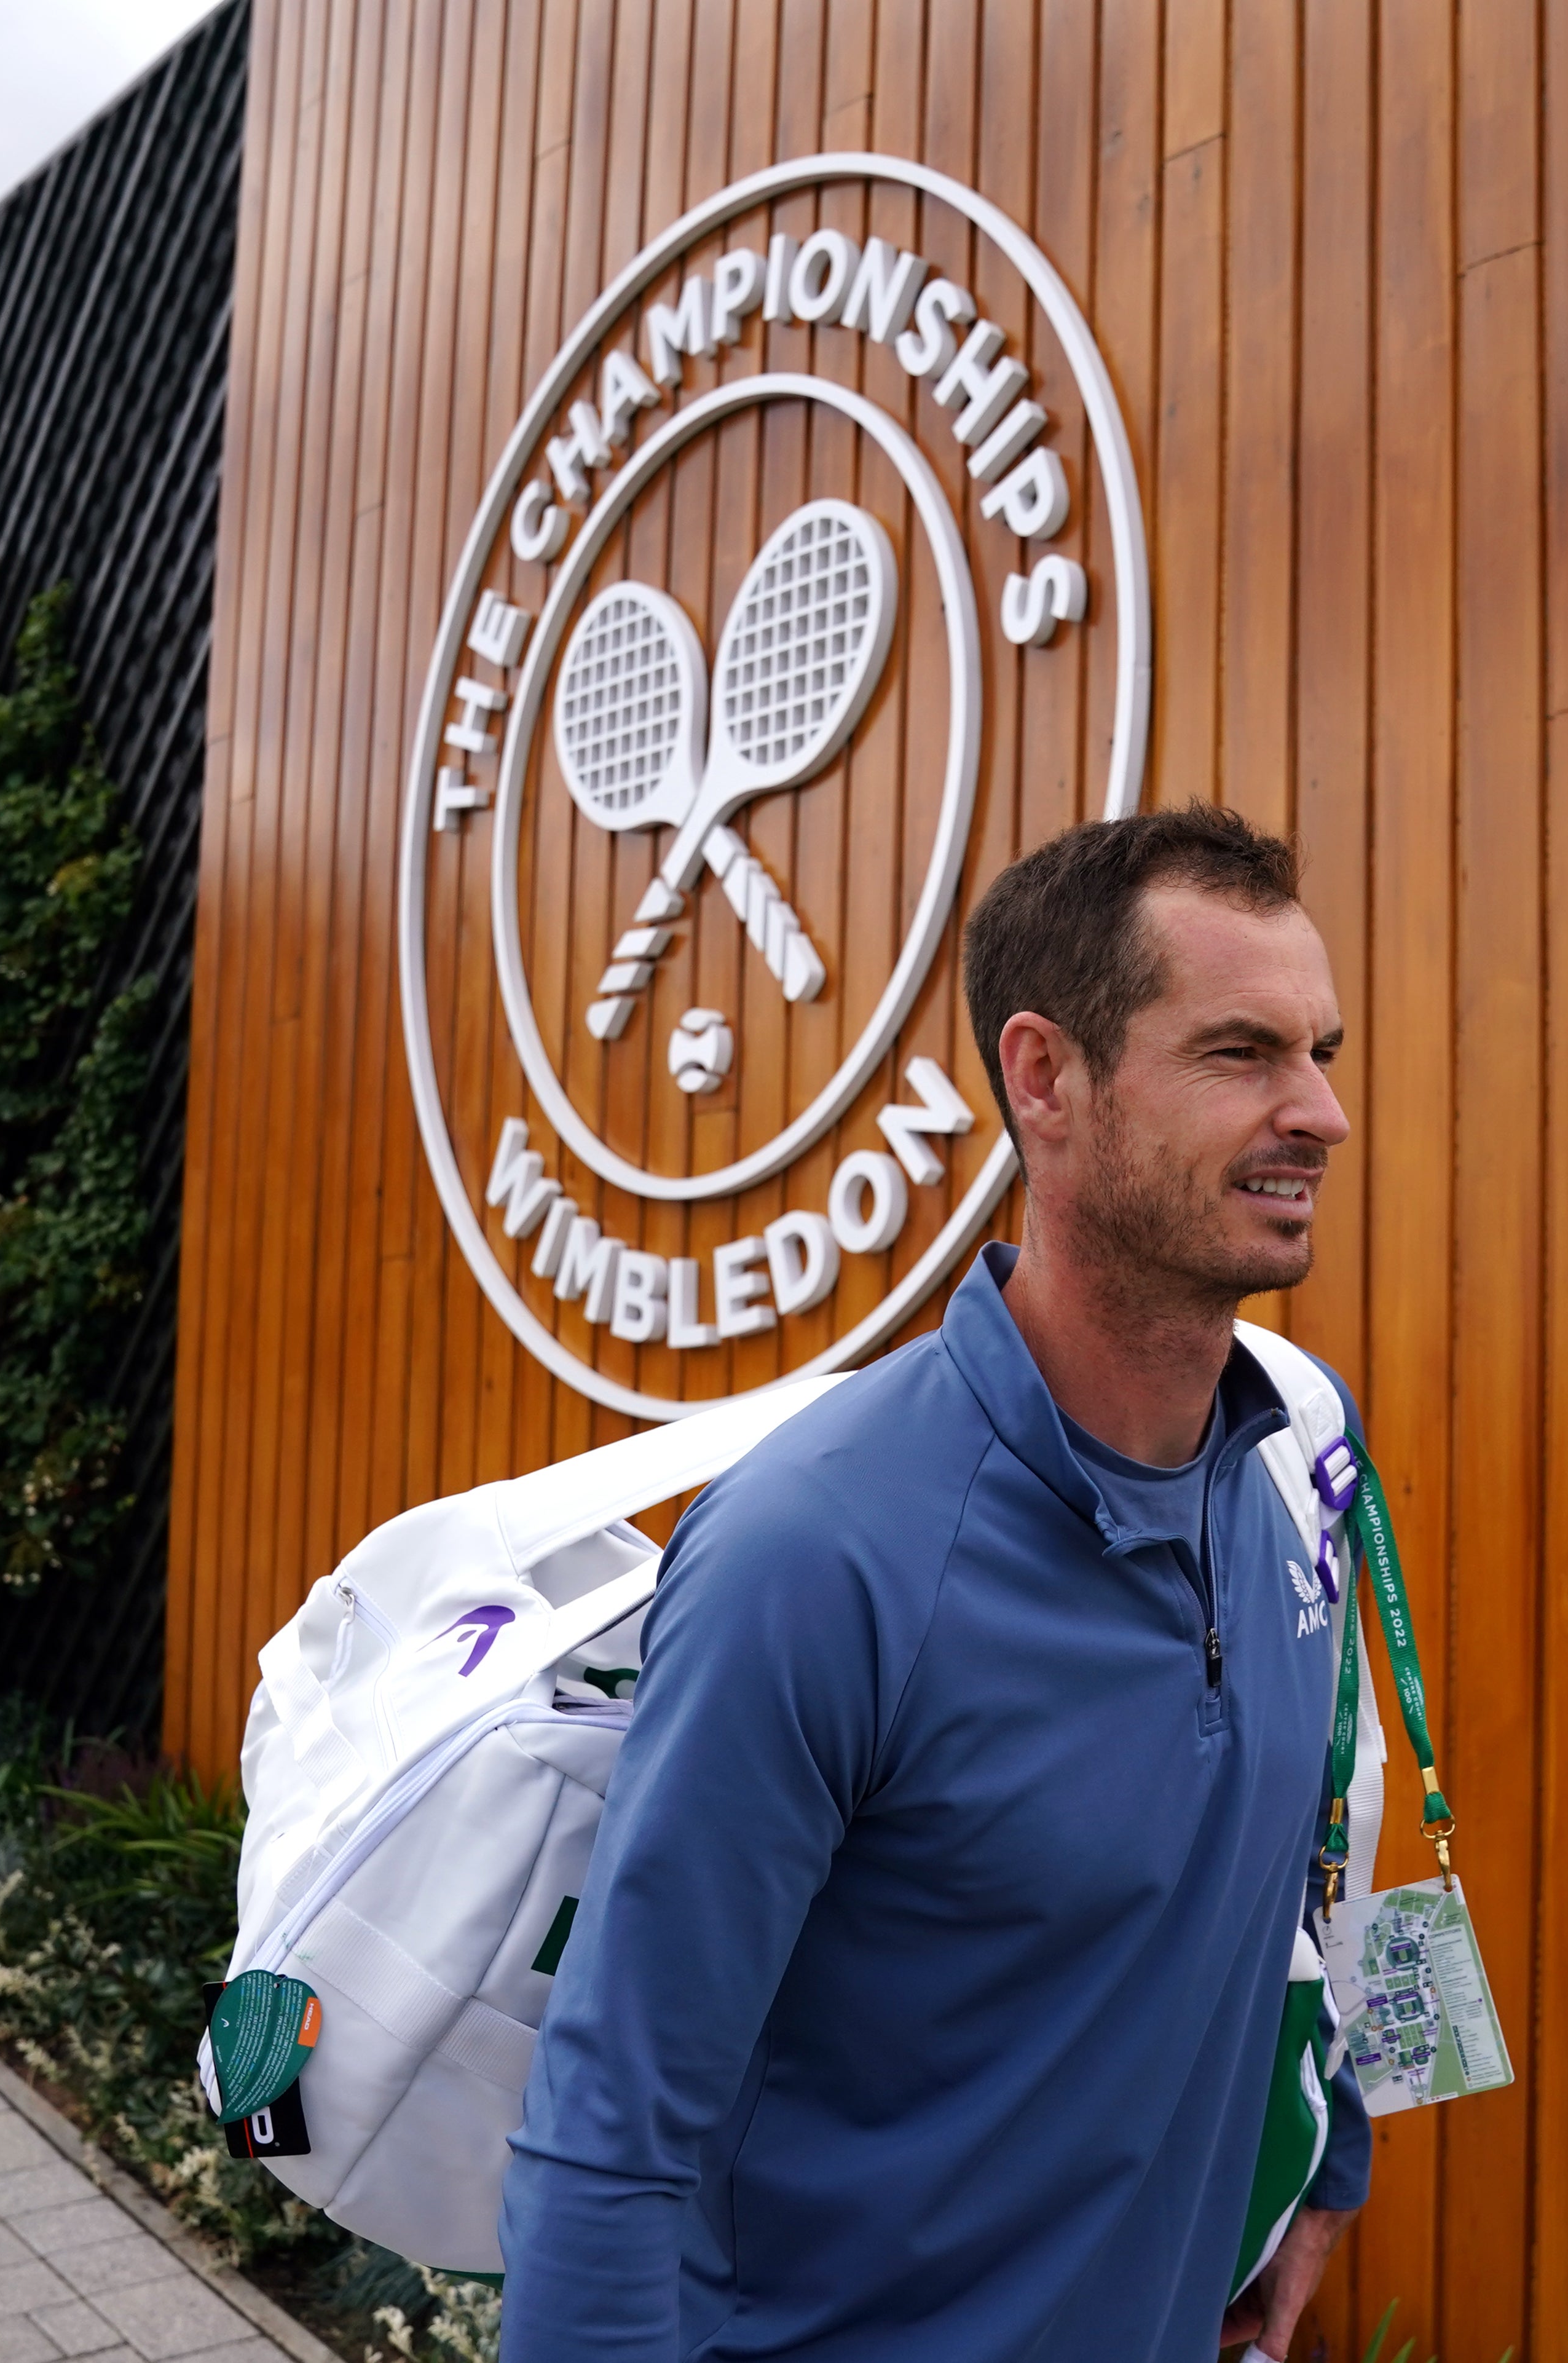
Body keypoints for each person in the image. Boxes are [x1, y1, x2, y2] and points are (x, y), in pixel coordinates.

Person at [502, 806, 1371, 2359]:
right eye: (1243, 1053)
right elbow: (610, 2134)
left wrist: (1321, 2160)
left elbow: (1301, 1872)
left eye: (1321, 1049)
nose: (1320, 1111)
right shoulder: (819, 1551)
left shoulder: (1297, 1468)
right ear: (1045, 1076)